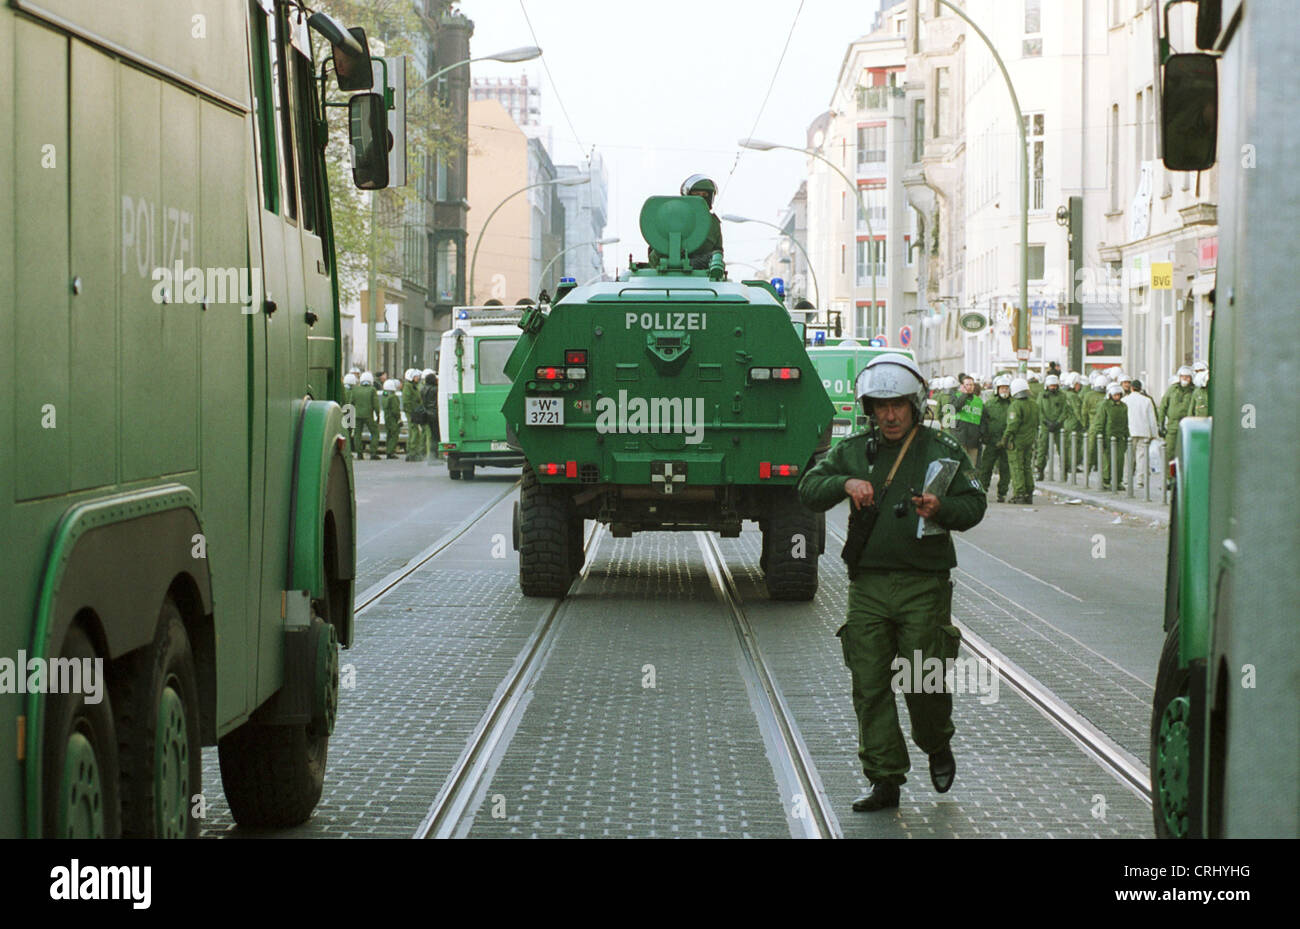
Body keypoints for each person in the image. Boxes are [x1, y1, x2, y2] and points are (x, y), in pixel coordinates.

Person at [797, 353, 987, 812]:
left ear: (914, 404)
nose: (889, 415)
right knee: (869, 682)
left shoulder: (942, 448)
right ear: (868, 408)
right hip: (869, 586)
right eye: (880, 406)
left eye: (898, 405)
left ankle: (935, 741)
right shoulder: (854, 450)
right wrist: (845, 483)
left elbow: (974, 505)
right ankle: (885, 779)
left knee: (924, 681)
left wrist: (942, 509)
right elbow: (809, 488)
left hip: (924, 583)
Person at [649, 174, 724, 269]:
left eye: (705, 195)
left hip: (702, 274)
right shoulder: (671, 216)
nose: (701, 199)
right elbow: (654, 256)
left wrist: (694, 262)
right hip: (664, 269)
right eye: (696, 195)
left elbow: (717, 253)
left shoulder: (713, 224)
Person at [1000, 376, 1040, 503]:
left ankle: (1019, 493)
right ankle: (1029, 492)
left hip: (1017, 441)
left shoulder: (1016, 405)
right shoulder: (1034, 404)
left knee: (1016, 466)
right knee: (1027, 466)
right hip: (1030, 439)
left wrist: (1005, 439)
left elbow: (1012, 425)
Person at [978, 375, 1013, 502]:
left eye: (1006, 388)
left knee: (1005, 469)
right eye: (1002, 388)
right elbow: (983, 421)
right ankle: (982, 490)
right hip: (992, 441)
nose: (1004, 391)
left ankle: (1002, 493)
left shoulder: (1013, 404)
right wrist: (984, 436)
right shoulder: (990, 404)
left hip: (1007, 441)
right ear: (997, 389)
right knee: (986, 467)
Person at [1157, 365, 1196, 470]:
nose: (1185, 379)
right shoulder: (1172, 389)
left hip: (1188, 425)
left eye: (1187, 377)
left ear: (1191, 378)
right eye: (1182, 376)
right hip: (1172, 426)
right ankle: (1169, 477)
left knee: (1186, 452)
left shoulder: (1194, 391)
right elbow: (1163, 406)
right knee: (1169, 452)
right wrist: (1160, 423)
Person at [1123, 377, 1159, 488]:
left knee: (1128, 457)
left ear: (1131, 388)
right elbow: (1152, 419)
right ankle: (1140, 480)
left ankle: (1126, 479)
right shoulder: (1147, 401)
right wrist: (1154, 434)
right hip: (1143, 431)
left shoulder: (1125, 400)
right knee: (1141, 457)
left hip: (1130, 431)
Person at [1094, 382, 1130, 489]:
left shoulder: (1124, 406)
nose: (1117, 397)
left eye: (1119, 395)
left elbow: (1126, 423)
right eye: (1115, 395)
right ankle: (1106, 480)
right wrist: (1100, 436)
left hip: (1120, 437)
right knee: (1107, 461)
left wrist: (1127, 435)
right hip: (1108, 437)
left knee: (1119, 460)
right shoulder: (1105, 405)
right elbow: (1100, 422)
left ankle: (1118, 481)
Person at [1034, 374, 1067, 480]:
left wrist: (1058, 422)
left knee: (1062, 449)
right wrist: (1045, 422)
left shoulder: (1062, 396)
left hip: (1058, 426)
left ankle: (1064, 471)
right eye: (1051, 386)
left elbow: (1064, 410)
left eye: (1054, 386)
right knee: (1042, 449)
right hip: (1045, 426)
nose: (1052, 388)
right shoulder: (1042, 395)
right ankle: (1040, 470)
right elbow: (1039, 410)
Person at [950, 374, 983, 464]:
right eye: (967, 385)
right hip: (960, 437)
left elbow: (982, 419)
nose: (969, 387)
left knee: (971, 466)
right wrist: (964, 395)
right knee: (960, 464)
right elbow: (955, 407)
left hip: (973, 439)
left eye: (971, 385)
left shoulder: (978, 401)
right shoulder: (956, 396)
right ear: (962, 386)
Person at [351, 372, 380, 460]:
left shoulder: (355, 389)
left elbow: (351, 402)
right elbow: (376, 404)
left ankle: (359, 453)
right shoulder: (372, 390)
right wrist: (377, 415)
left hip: (357, 415)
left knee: (357, 434)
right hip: (368, 415)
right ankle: (373, 453)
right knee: (375, 433)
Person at [1060, 372, 1084, 474]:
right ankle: (1071, 465)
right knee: (1073, 446)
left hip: (1066, 423)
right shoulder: (1073, 396)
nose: (1079, 386)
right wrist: (1084, 424)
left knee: (1066, 445)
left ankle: (1065, 465)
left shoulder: (1064, 394)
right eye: (1078, 384)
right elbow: (1078, 411)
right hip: (1073, 424)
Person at [403, 369, 425, 461]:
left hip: (414, 412)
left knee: (414, 431)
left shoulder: (412, 386)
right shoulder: (408, 387)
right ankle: (412, 452)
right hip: (412, 412)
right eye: (416, 377)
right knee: (414, 432)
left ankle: (412, 451)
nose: (418, 378)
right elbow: (407, 401)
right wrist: (412, 412)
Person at [420, 368, 440, 462]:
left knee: (431, 435)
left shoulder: (423, 389)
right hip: (435, 414)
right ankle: (434, 455)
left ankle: (431, 455)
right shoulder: (435, 390)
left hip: (427, 413)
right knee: (436, 436)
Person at [381, 379, 403, 459]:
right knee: (394, 435)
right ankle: (391, 452)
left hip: (386, 418)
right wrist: (399, 418)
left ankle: (388, 451)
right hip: (393, 419)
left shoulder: (384, 396)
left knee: (389, 435)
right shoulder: (393, 397)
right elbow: (395, 410)